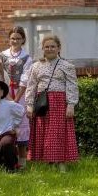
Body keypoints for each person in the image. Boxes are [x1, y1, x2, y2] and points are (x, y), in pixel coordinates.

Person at [25, 35, 79, 172]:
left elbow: (72, 86)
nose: (50, 49)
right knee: (44, 132)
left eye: (53, 46)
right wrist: (29, 105)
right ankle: (49, 164)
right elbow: (31, 86)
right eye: (47, 46)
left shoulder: (67, 66)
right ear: (42, 49)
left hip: (60, 103)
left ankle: (61, 164)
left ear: (59, 48)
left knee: (59, 133)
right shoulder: (36, 66)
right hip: (42, 104)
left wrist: (71, 104)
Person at [0, 26, 32, 168]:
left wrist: (16, 99)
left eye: (18, 38)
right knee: (5, 122)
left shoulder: (27, 57)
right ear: (9, 39)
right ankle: (8, 159)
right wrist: (6, 94)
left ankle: (22, 162)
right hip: (4, 92)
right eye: (12, 38)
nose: (15, 40)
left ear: (23, 39)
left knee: (21, 124)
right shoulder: (1, 55)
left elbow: (25, 78)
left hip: (19, 94)